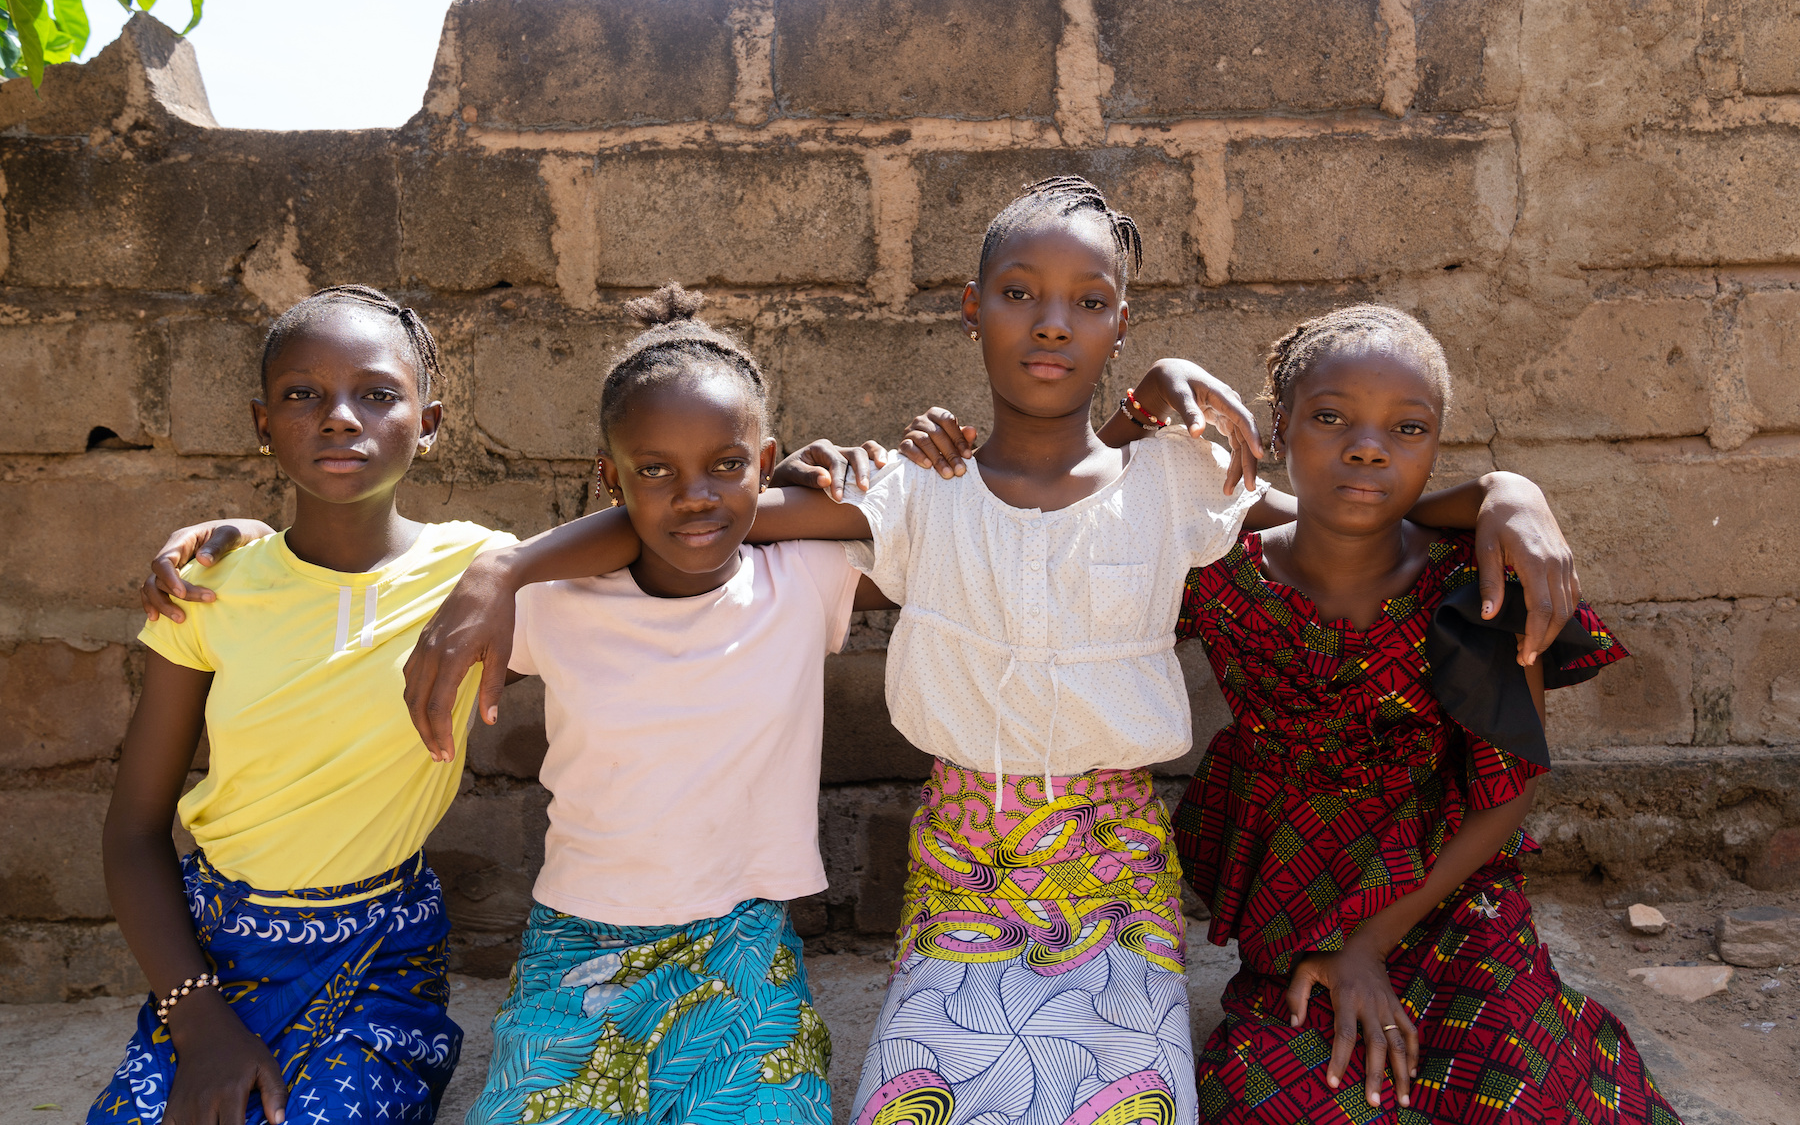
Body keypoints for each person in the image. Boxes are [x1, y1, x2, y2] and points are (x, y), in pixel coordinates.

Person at [397, 177, 1586, 1125]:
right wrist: (507, 563)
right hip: (963, 861)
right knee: (918, 1093)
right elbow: (710, 510)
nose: (1053, 320)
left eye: (1088, 298)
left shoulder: (1179, 482)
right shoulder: (917, 487)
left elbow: (1346, 506)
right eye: (1020, 291)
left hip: (1115, 869)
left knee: (1135, 1101)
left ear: (1122, 320)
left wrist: (1502, 492)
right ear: (973, 309)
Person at [143, 285, 885, 1124]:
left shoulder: (800, 579)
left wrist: (778, 486)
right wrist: (237, 539)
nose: (694, 494)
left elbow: (896, 514)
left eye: (726, 462)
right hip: (577, 942)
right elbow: (349, 577)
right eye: (653, 468)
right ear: (610, 477)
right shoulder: (543, 596)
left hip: (740, 942)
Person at [1155, 307, 1676, 1123]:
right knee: (1279, 1098)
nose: (1368, 447)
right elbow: (1081, 509)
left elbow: (1509, 792)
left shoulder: (1475, 582)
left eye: (1408, 428)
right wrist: (1149, 396)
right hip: (1294, 897)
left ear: (1435, 446)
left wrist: (1369, 942)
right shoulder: (1219, 568)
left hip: (1450, 890)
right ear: (1280, 425)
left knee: (1518, 1092)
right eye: (1330, 419)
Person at [96, 286, 517, 1125]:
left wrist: (509, 570)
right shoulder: (213, 584)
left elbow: (666, 527)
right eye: (302, 395)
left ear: (428, 424)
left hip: (379, 956)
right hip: (216, 956)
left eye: (377, 393)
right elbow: (134, 829)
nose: (338, 417)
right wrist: (201, 1023)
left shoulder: (474, 570)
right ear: (263, 423)